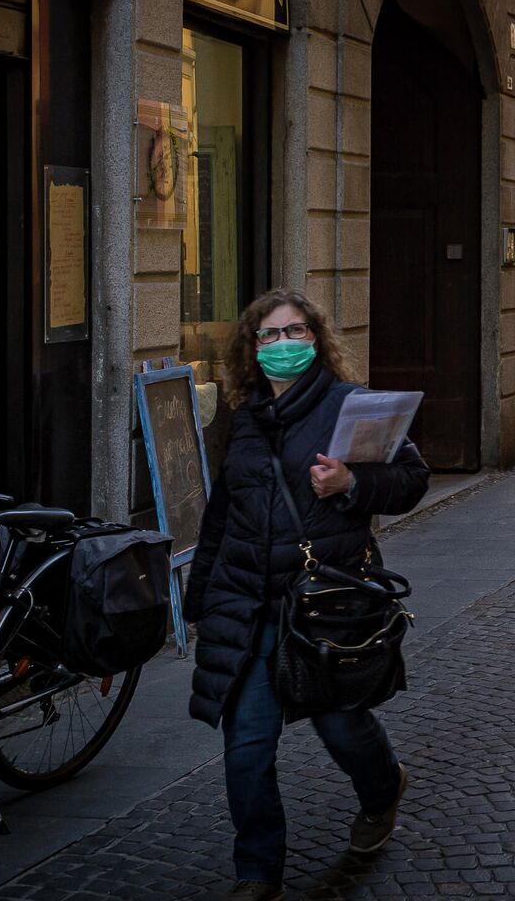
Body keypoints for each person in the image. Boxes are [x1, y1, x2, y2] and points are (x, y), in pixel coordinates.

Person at [183, 287, 432, 901]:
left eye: (294, 331)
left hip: (322, 603)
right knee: (245, 747)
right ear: (252, 349)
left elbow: (411, 478)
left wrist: (352, 482)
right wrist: (198, 599)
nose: (282, 345)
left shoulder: (353, 406)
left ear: (316, 340)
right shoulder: (243, 421)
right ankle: (258, 873)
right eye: (268, 336)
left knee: (341, 727)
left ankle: (383, 788)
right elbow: (222, 512)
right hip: (246, 605)